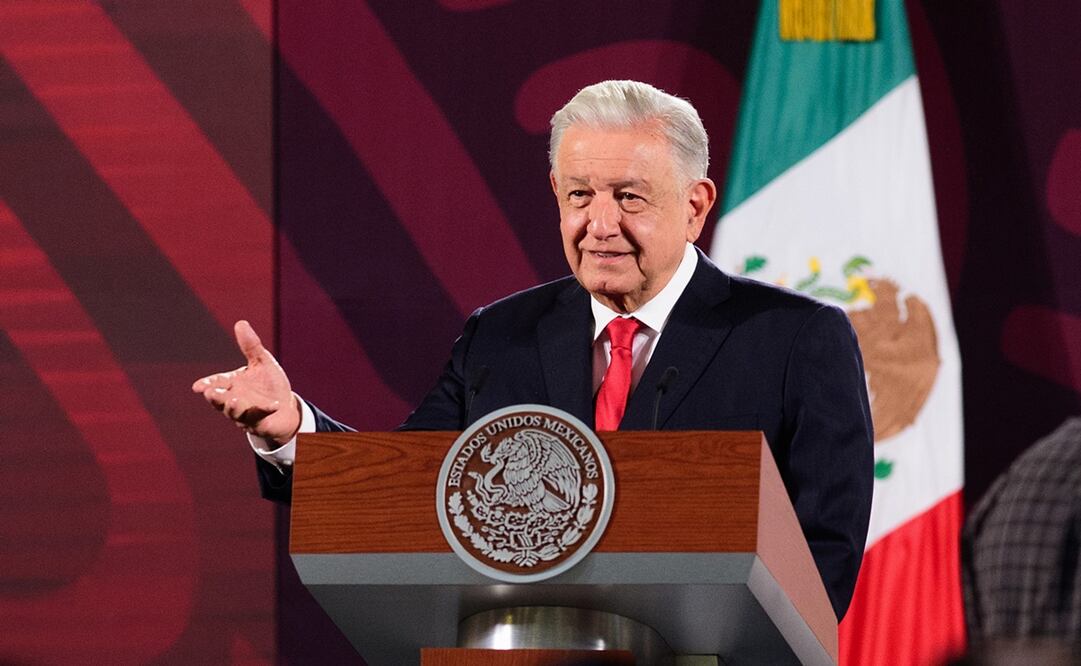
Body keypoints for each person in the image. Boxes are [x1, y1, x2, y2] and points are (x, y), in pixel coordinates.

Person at [192, 80, 874, 620]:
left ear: (694, 206)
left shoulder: (795, 339)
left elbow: (823, 562)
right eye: (579, 195)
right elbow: (405, 494)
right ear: (555, 193)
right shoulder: (501, 334)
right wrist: (291, 430)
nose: (599, 224)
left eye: (628, 197)